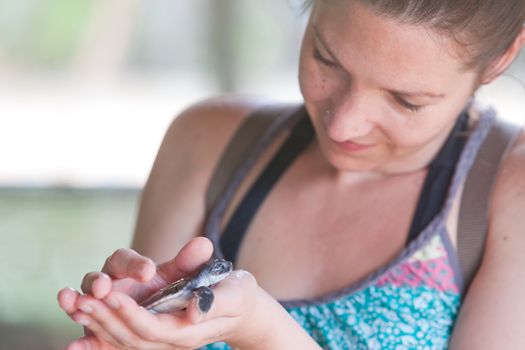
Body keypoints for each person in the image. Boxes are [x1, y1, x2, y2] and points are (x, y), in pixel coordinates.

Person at [58, 1, 525, 349]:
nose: (343, 124)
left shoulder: (507, 187)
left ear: (501, 58)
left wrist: (262, 331)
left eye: (406, 101)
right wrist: (125, 328)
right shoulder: (208, 143)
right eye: (326, 59)